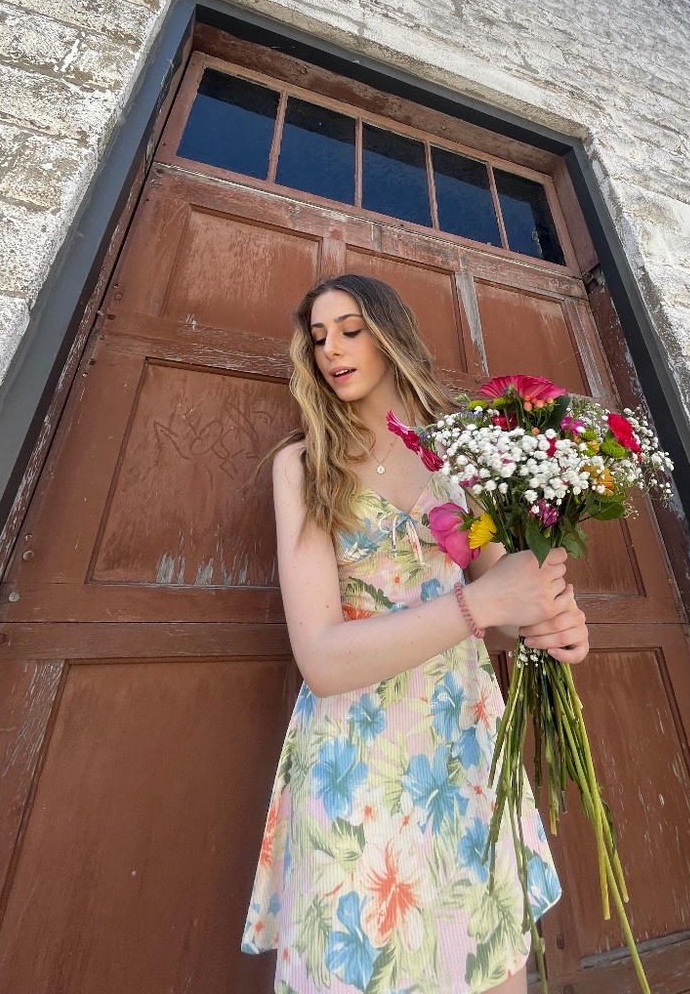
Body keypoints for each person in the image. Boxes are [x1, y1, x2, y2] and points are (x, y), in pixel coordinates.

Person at [242, 274, 590, 994]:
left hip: (462, 743)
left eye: (350, 329)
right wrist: (481, 605)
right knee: (360, 967)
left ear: (391, 332)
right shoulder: (304, 468)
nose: (332, 350)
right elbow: (322, 660)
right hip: (354, 756)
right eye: (318, 338)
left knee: (488, 961)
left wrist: (555, 627)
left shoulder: (462, 458)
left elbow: (513, 600)